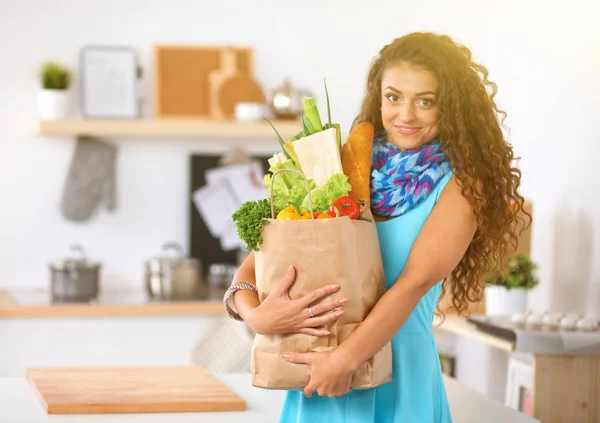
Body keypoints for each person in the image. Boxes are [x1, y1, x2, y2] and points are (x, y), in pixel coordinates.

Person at [223, 31, 529, 423]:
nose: (405, 114)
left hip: (396, 372)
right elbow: (261, 259)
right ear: (378, 97)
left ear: (449, 107)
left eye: (425, 101)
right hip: (318, 374)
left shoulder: (462, 185)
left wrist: (343, 360)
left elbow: (414, 283)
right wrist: (253, 315)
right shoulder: (345, 167)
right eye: (394, 97)